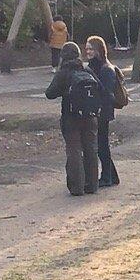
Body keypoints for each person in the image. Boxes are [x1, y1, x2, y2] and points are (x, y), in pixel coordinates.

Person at [46, 40, 108, 195]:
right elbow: (100, 89)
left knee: (74, 150)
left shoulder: (64, 73)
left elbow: (49, 93)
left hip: (71, 116)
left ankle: (77, 187)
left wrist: (65, 91)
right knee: (91, 149)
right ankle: (92, 185)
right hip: (90, 116)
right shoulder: (86, 69)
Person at [84, 34, 128, 187]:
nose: (88, 52)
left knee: (102, 146)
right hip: (98, 110)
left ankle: (107, 177)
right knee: (101, 145)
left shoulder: (106, 69)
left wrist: (92, 77)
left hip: (103, 111)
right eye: (86, 49)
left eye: (91, 49)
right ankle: (112, 176)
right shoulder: (94, 66)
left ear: (98, 50)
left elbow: (106, 93)